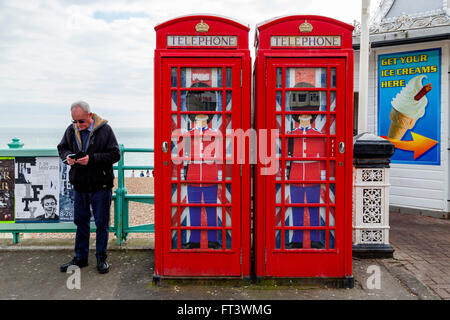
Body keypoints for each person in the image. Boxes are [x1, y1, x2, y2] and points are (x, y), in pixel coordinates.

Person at [57, 101, 120, 274]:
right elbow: (62, 148)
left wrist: (91, 159)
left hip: (101, 185)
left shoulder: (105, 130)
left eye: (81, 121)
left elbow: (115, 154)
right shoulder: (71, 130)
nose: (78, 125)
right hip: (80, 185)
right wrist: (67, 157)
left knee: (101, 223)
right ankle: (81, 258)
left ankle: (101, 258)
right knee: (81, 222)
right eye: (75, 121)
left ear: (90, 116)